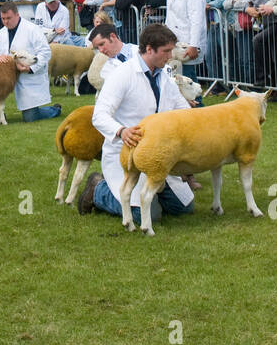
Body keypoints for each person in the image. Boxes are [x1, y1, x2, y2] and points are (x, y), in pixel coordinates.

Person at [78, 23, 193, 222]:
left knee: (184, 207)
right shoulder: (122, 75)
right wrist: (121, 131)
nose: (170, 56)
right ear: (149, 49)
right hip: (126, 154)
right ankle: (98, 189)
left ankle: (156, 190)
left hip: (156, 154)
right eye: (166, 51)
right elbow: (99, 115)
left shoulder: (163, 75)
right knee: (147, 215)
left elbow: (183, 110)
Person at [0, 2, 58, 122]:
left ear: (17, 15)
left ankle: (55, 110)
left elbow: (45, 52)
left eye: (9, 18)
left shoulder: (32, 29)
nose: (6, 22)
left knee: (30, 117)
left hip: (27, 76)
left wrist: (30, 69)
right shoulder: (2, 32)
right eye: (3, 19)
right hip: (6, 75)